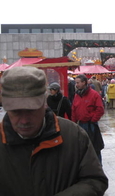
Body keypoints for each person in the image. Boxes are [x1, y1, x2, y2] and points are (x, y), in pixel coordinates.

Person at [0, 66, 108, 195]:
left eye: (31, 110)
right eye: (15, 112)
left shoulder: (74, 135)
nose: (24, 120)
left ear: (44, 103)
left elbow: (95, 180)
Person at [72, 74, 105, 164]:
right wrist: (73, 123)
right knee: (82, 146)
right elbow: (74, 109)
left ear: (84, 82)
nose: (76, 85)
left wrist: (93, 119)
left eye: (78, 82)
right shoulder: (77, 95)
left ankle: (98, 165)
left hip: (90, 124)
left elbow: (100, 109)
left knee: (95, 146)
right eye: (76, 83)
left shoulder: (94, 94)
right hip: (81, 123)